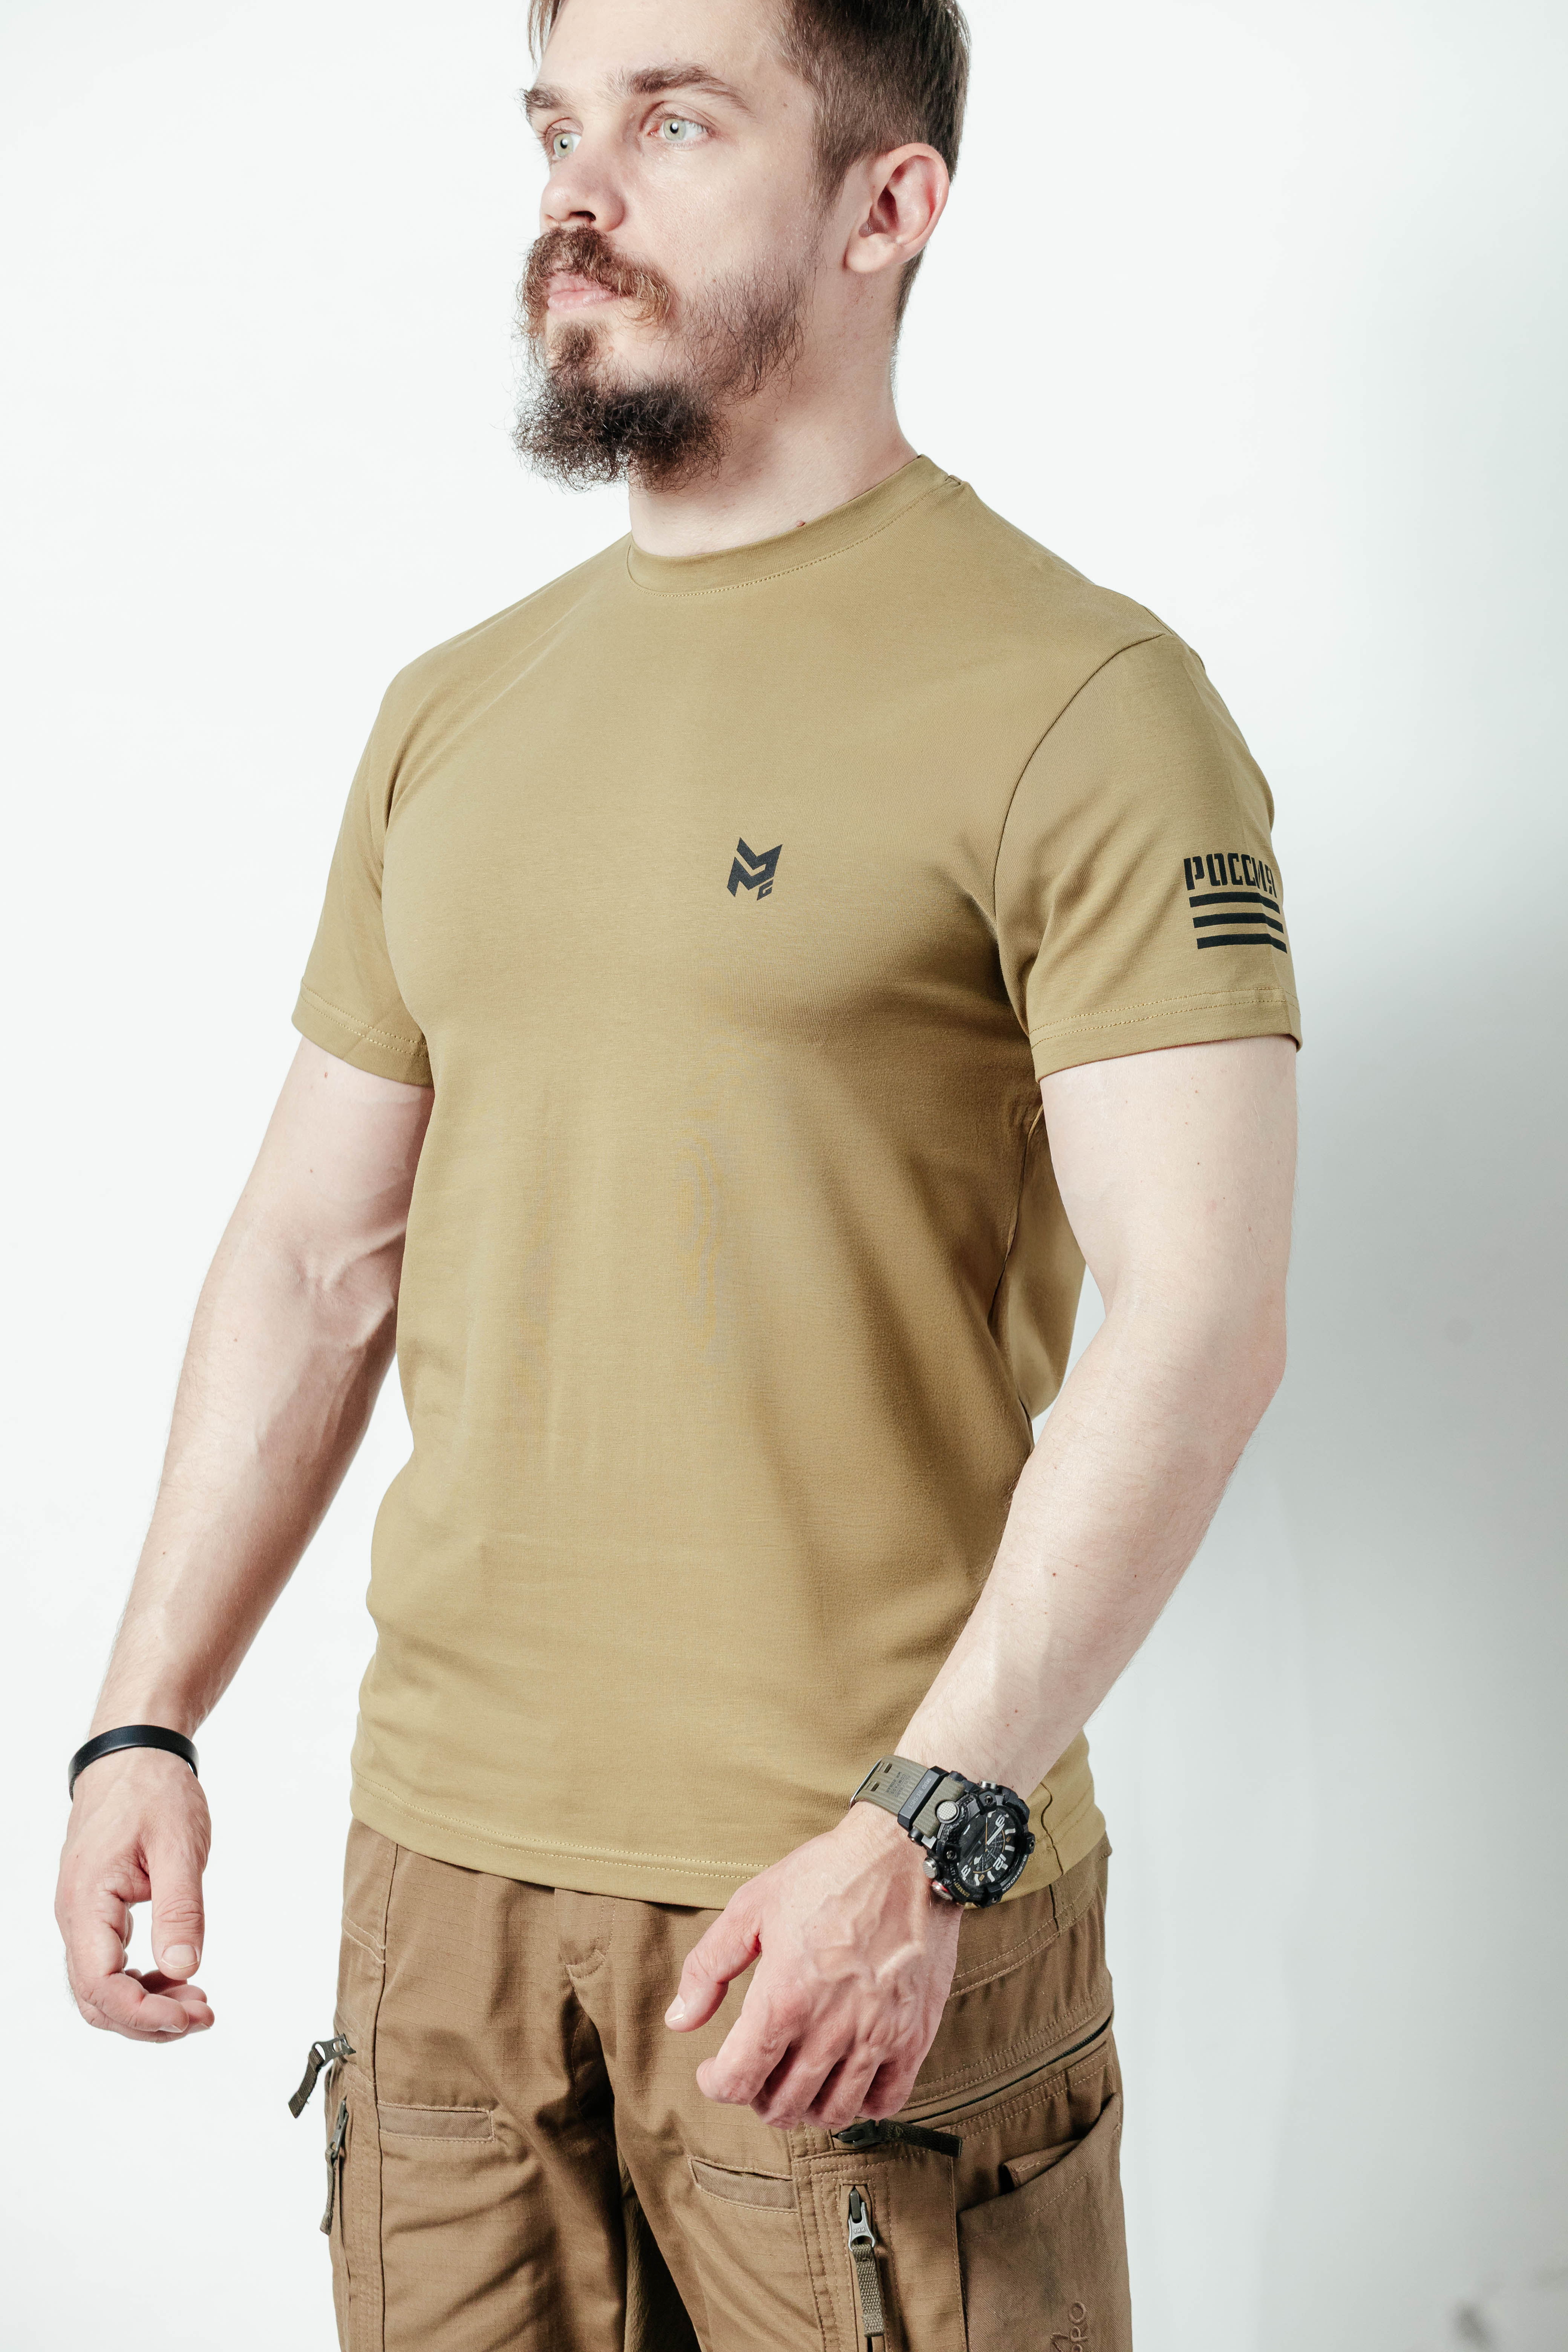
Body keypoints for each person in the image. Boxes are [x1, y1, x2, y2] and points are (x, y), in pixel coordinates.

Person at [54, 0, 1300, 2344]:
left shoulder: (1089, 704)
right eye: (556, 124)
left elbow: (1203, 1325)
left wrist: (928, 1834)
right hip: (441, 1903)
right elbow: (316, 1259)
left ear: (887, 207)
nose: (577, 186)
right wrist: (148, 1710)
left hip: (853, 1886)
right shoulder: (453, 710)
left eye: (676, 120)